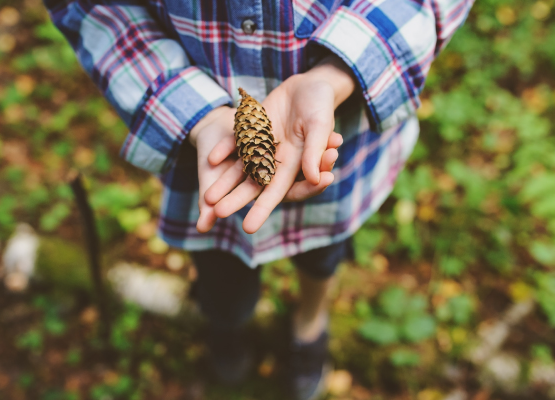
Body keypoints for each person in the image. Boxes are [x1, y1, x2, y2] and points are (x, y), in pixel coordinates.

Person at [44, 0, 474, 398]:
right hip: (204, 157)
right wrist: (195, 111)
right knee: (220, 270)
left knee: (322, 254)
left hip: (337, 145)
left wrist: (336, 73)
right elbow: (93, 10)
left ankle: (309, 323)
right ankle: (227, 327)